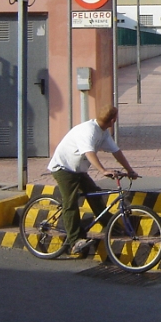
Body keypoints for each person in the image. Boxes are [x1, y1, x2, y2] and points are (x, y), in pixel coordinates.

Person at [47, 105, 138, 255]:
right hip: (63, 168)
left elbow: (116, 152)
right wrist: (103, 170)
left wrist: (130, 170)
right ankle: (74, 241)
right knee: (71, 202)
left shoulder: (103, 132)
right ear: (113, 120)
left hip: (78, 170)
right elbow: (89, 153)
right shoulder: (88, 131)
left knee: (95, 194)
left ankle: (110, 226)